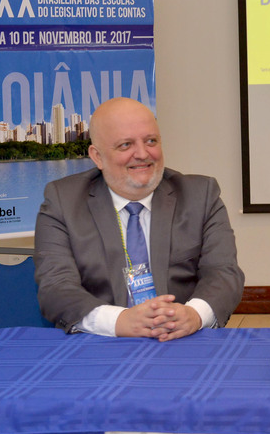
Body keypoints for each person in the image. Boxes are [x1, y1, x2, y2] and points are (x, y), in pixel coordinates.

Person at [34, 97, 245, 341]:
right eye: (126, 145)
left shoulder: (200, 195)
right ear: (97, 156)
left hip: (183, 340)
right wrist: (120, 321)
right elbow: (56, 287)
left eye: (151, 141)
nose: (143, 154)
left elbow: (223, 273)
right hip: (101, 342)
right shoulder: (63, 201)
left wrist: (194, 315)